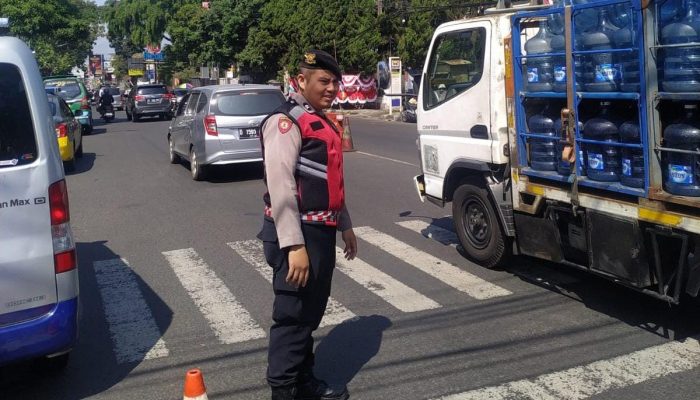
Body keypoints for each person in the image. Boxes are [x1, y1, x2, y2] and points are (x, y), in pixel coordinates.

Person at [258, 49, 357, 400]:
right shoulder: (286, 122)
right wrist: (294, 246)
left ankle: (304, 382)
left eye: (334, 81)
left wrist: (345, 224)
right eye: (323, 81)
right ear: (301, 81)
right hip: (296, 233)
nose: (331, 88)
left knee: (309, 314)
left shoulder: (322, 120)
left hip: (320, 230)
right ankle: (284, 392)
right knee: (293, 317)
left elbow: (330, 180)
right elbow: (281, 185)